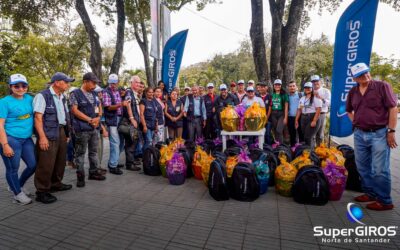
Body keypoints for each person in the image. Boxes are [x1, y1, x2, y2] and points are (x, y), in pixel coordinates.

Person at [346, 62, 397, 211]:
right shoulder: (353, 92)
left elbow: (393, 108)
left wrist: (391, 131)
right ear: (354, 79)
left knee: (380, 169)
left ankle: (385, 201)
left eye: (366, 72)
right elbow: (349, 110)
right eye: (360, 75)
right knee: (362, 166)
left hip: (379, 133)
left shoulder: (382, 86)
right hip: (359, 134)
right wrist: (355, 122)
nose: (365, 76)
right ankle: (370, 193)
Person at [33, 72, 74, 204]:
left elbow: (64, 117)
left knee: (60, 160)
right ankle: (42, 191)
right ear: (57, 82)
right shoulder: (42, 96)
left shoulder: (62, 97)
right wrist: (42, 137)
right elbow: (38, 118)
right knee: (46, 163)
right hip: (48, 132)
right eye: (66, 81)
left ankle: (56, 184)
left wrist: (67, 134)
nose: (68, 84)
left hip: (61, 130)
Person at [0, 74, 36, 205]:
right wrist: (5, 144)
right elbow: (0, 125)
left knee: (33, 165)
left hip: (26, 139)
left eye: (24, 85)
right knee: (12, 169)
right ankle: (17, 194)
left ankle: (17, 185)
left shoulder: (29, 99)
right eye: (17, 86)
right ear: (11, 87)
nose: (21, 88)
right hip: (11, 139)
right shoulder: (4, 102)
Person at [70, 72, 106, 187]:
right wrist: (90, 120)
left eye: (96, 83)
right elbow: (74, 110)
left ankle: (94, 172)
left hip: (94, 128)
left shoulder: (95, 93)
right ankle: (80, 177)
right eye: (93, 82)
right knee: (80, 153)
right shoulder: (75, 93)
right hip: (82, 129)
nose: (95, 85)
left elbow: (99, 106)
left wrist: (99, 118)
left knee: (94, 152)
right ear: (85, 81)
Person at [102, 74, 125, 175]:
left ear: (117, 82)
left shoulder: (117, 91)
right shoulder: (106, 92)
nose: (113, 85)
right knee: (115, 143)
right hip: (112, 120)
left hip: (119, 119)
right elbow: (108, 107)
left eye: (114, 83)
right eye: (111, 83)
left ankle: (113, 161)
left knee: (120, 143)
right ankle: (112, 166)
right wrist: (121, 104)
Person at [120, 75, 141, 171]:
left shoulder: (135, 93)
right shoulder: (129, 92)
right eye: (136, 82)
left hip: (135, 121)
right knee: (131, 142)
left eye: (139, 82)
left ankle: (131, 161)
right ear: (131, 83)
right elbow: (128, 105)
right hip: (130, 122)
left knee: (134, 141)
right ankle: (129, 164)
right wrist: (132, 118)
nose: (138, 84)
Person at [295, 82, 321, 149]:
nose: (307, 89)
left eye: (309, 88)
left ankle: (310, 153)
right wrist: (296, 120)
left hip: (312, 117)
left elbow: (318, 110)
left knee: (308, 137)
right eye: (306, 88)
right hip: (303, 118)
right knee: (305, 136)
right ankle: (308, 152)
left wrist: (314, 121)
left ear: (312, 88)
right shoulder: (302, 98)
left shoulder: (316, 97)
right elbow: (299, 110)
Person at [311, 75, 331, 146]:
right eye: (313, 82)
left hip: (321, 114)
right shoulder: (310, 90)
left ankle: (319, 150)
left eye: (317, 81)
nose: (315, 83)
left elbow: (328, 104)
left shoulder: (326, 91)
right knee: (311, 134)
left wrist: (320, 98)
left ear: (320, 81)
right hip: (311, 114)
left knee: (320, 134)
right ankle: (312, 150)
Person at [270, 79, 289, 144]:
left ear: (281, 85)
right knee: (275, 130)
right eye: (276, 84)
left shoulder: (284, 95)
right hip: (273, 114)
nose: (277, 86)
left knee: (279, 130)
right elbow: (270, 105)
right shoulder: (272, 94)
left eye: (279, 85)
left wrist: (286, 117)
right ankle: (277, 144)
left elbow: (286, 107)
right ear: (274, 85)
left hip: (281, 113)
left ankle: (281, 145)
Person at [287, 81, 304, 146]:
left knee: (301, 133)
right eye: (290, 86)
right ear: (288, 88)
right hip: (290, 117)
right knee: (292, 134)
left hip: (300, 117)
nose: (292, 87)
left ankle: (302, 150)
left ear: (296, 87)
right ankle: (293, 149)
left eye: (293, 86)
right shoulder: (287, 96)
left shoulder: (301, 94)